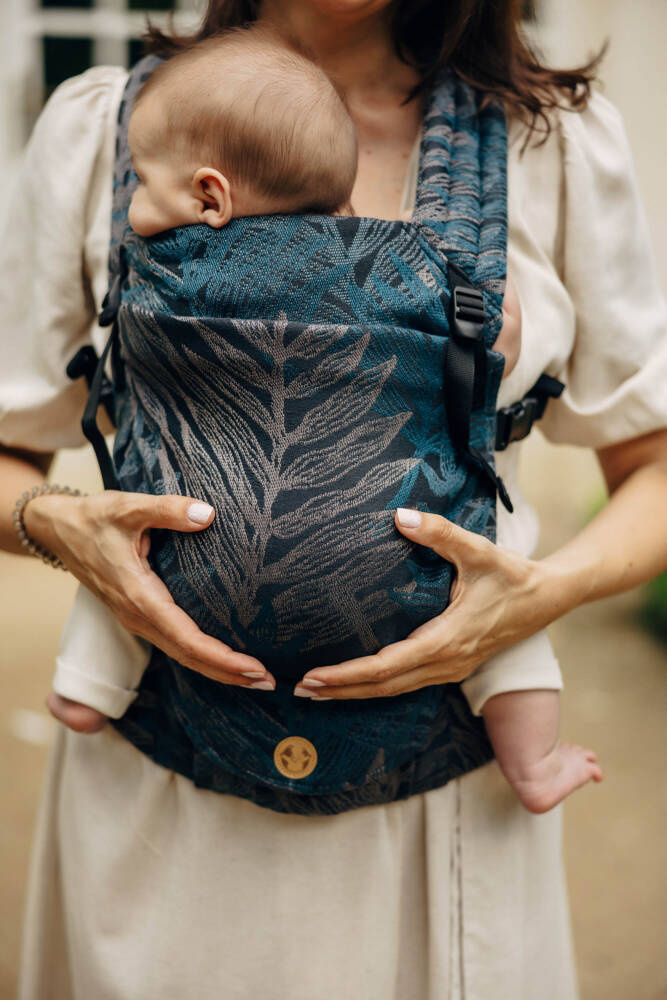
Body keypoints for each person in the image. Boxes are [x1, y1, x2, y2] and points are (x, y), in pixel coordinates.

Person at [2, 1, 666, 997]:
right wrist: (58, 524)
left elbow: (654, 466)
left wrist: (539, 594)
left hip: (441, 812)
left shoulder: (550, 145)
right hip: (161, 811)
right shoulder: (108, 129)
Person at [42, 24, 588, 817]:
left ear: (209, 196)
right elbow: (496, 347)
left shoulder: (164, 271)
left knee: (125, 564)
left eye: (144, 187)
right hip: (419, 560)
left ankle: (86, 691)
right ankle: (532, 761)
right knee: (507, 600)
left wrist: (70, 524)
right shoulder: (423, 274)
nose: (136, 207)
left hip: (192, 546)